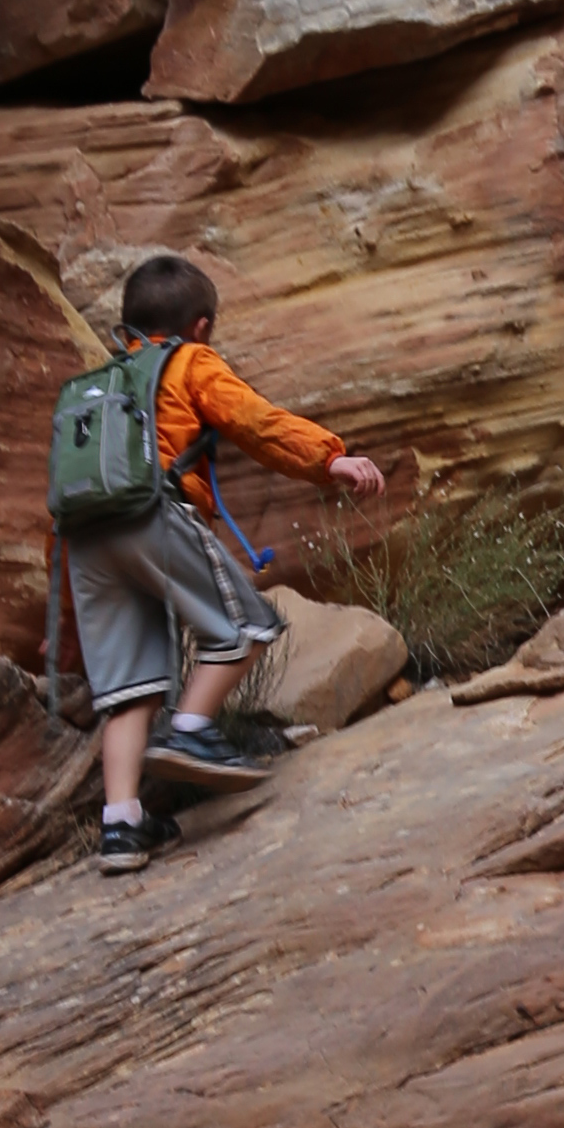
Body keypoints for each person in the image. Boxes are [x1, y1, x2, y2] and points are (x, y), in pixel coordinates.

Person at [67, 252, 385, 882]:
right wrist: (329, 459)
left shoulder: (99, 384)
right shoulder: (190, 361)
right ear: (203, 326)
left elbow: (67, 484)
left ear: (130, 322)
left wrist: (63, 611)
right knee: (244, 626)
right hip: (153, 512)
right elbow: (253, 421)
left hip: (86, 537)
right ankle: (189, 729)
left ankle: (122, 825)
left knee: (129, 688)